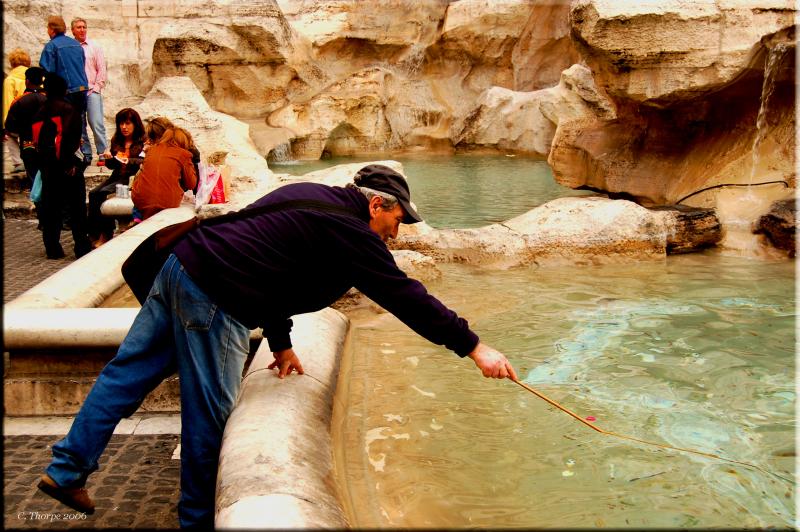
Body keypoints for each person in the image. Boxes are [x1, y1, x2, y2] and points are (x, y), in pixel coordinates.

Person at [37, 163, 518, 527]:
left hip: (180, 267)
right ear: (377, 204)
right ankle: (197, 521)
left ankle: (67, 470)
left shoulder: (306, 193)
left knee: (125, 375)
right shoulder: (353, 233)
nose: (398, 231)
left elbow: (266, 262)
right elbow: (405, 297)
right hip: (215, 297)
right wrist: (474, 347)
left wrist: (281, 343)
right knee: (209, 417)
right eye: (398, 219)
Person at [31, 72, 92, 259]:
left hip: (48, 168)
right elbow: (70, 139)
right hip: (68, 167)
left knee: (51, 209)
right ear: (64, 89)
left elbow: (37, 142)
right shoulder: (68, 110)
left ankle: (52, 247)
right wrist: (71, 164)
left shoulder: (39, 112)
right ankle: (81, 246)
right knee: (77, 208)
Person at [86, 108, 145, 247]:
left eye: (127, 123)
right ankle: (94, 232)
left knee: (103, 194)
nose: (124, 127)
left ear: (135, 124)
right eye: (121, 124)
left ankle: (105, 234)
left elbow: (145, 161)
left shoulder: (143, 141)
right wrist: (109, 158)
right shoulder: (117, 140)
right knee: (94, 194)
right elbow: (112, 166)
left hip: (132, 178)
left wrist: (128, 160)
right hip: (117, 176)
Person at [39, 16, 89, 159]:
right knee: (80, 122)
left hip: (65, 91)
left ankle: (69, 155)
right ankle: (84, 153)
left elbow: (48, 71)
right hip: (81, 88)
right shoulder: (76, 44)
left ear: (51, 29)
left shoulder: (51, 46)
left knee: (64, 125)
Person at [130, 126, 198, 220]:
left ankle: (137, 219)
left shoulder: (151, 150)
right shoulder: (183, 154)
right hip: (167, 202)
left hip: (141, 201)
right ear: (184, 141)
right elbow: (192, 184)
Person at [70, 17, 108, 165]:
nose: (82, 30)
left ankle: (103, 152)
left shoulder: (94, 46)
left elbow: (102, 68)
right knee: (80, 125)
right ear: (72, 30)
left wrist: (98, 87)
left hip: (92, 90)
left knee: (96, 122)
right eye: (78, 27)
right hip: (76, 92)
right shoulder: (71, 47)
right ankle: (86, 153)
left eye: (84, 27)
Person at [5, 66, 47, 189]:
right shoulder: (48, 99)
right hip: (47, 144)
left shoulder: (19, 101)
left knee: (32, 170)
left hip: (28, 143)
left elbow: (10, 127)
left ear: (27, 81)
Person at [3, 48, 32, 172]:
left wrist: (4, 126)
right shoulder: (35, 77)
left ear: (12, 63)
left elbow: (7, 103)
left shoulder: (10, 80)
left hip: (18, 122)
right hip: (35, 120)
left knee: (9, 135)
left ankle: (18, 162)